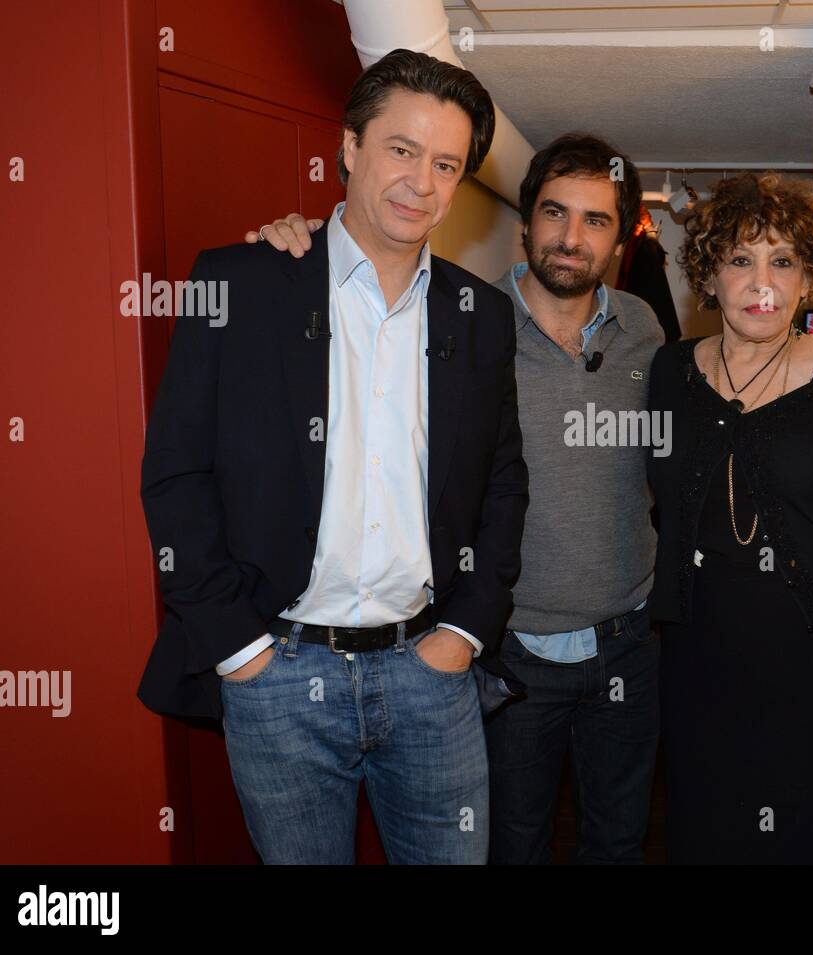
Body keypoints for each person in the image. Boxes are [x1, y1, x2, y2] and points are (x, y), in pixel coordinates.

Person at [137, 49, 529, 864]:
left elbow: (502, 482)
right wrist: (239, 650)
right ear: (349, 147)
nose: (421, 181)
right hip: (278, 674)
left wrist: (465, 629)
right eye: (401, 148)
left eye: (446, 163)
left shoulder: (480, 314)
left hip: (432, 675)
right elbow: (176, 475)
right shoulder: (241, 285)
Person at [250, 134, 665, 863]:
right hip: (504, 651)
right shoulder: (467, 319)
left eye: (596, 220)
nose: (571, 238)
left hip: (629, 646)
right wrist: (303, 239)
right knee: (510, 842)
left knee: (620, 841)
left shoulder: (646, 332)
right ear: (526, 220)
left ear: (619, 237)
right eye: (554, 213)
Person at [646, 172, 813, 863]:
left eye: (782, 260)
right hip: (702, 665)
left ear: (808, 278)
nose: (762, 282)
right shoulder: (669, 374)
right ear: (709, 276)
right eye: (740, 259)